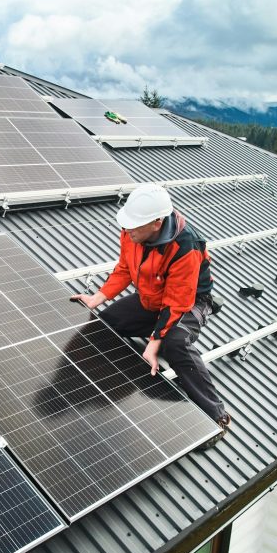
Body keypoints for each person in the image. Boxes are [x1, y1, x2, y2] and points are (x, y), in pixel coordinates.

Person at [71, 184, 231, 442]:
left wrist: (155, 342)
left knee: (175, 342)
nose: (127, 230)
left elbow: (177, 302)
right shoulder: (132, 231)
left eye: (134, 226)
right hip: (152, 298)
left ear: (157, 223)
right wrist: (97, 298)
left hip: (191, 302)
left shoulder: (185, 246)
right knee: (105, 322)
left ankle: (217, 415)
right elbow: (124, 268)